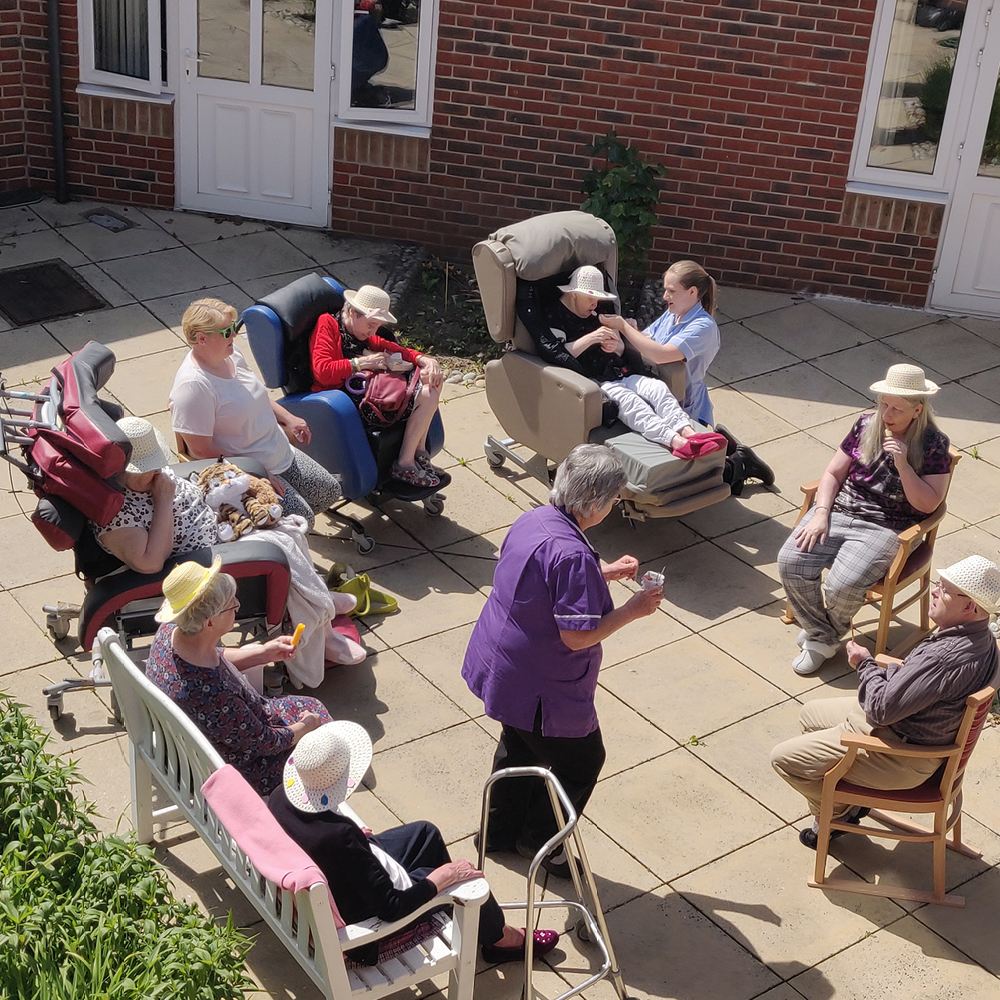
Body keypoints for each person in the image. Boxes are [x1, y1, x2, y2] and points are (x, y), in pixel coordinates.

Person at [462, 443, 663, 877]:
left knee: (519, 747)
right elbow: (575, 637)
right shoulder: (572, 555)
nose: (613, 506)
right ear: (593, 503)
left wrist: (600, 572)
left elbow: (537, 573)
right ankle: (541, 843)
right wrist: (633, 609)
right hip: (540, 684)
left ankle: (497, 834)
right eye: (613, 500)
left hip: (501, 665)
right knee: (582, 762)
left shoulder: (533, 518)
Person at [269, 722, 561, 966]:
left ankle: (470, 920)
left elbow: (329, 840)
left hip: (339, 875)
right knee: (460, 879)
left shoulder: (281, 796)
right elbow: (392, 908)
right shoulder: (340, 840)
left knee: (426, 833)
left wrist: (357, 838)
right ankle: (499, 938)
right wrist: (443, 878)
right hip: (365, 931)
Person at [92, 416, 366, 670]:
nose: (157, 473)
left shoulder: (147, 481)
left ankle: (317, 602)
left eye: (157, 466)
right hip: (210, 556)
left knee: (288, 529)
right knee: (278, 546)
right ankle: (321, 628)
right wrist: (164, 498)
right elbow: (151, 563)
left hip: (221, 518)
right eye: (147, 470)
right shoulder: (116, 514)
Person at [770, 555, 1000, 850]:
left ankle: (837, 814)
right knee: (809, 714)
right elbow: (918, 684)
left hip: (902, 753)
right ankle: (845, 797)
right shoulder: (981, 639)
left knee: (784, 760)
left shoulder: (944, 658)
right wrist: (891, 674)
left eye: (943, 589)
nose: (933, 591)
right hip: (910, 726)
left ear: (969, 606)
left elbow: (881, 709)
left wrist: (864, 664)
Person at [777, 363, 952, 675]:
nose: (886, 414)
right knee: (790, 561)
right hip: (840, 509)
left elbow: (929, 504)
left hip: (887, 526)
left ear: (917, 409)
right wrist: (820, 514)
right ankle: (825, 635)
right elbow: (833, 472)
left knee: (842, 585)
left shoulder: (933, 444)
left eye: (897, 408)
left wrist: (903, 464)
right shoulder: (865, 424)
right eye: (883, 404)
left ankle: (819, 636)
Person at [146, 558, 333, 796]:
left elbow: (213, 656)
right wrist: (305, 726)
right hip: (237, 768)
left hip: (197, 743)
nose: (237, 604)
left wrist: (263, 653)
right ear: (210, 621)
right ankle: (316, 815)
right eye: (230, 604)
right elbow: (267, 743)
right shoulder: (212, 694)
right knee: (327, 735)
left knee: (315, 711)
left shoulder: (171, 633)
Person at [169, 298, 343, 530]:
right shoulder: (193, 386)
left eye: (234, 327)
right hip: (248, 466)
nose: (234, 336)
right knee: (304, 520)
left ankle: (284, 529)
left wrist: (288, 418)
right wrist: (253, 473)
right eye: (227, 331)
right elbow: (200, 451)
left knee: (328, 491)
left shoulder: (230, 353)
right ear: (201, 338)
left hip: (277, 448)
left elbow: (255, 394)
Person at [601, 260, 773, 492]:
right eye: (665, 290)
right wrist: (627, 336)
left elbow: (661, 355)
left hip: (686, 403)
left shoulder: (703, 326)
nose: (664, 296)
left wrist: (624, 327)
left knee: (694, 469)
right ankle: (725, 447)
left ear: (692, 292)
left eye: (671, 291)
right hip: (659, 392)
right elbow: (647, 344)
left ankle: (740, 462)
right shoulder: (673, 315)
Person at [533, 265, 700, 454]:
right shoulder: (555, 314)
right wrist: (592, 338)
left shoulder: (598, 311)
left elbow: (620, 350)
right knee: (631, 402)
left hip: (619, 372)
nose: (595, 304)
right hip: (594, 382)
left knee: (658, 388)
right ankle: (674, 441)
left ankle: (686, 430)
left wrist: (617, 346)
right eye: (590, 298)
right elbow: (558, 355)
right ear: (574, 294)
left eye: (598, 298)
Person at [309, 284, 445, 488]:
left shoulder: (361, 331)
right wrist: (361, 363)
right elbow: (322, 371)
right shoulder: (327, 324)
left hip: (364, 387)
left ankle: (417, 453)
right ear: (353, 313)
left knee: (432, 381)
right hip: (341, 397)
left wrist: (424, 359)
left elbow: (388, 345)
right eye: (371, 324)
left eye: (377, 326)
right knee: (426, 394)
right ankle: (405, 463)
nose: (373, 331)